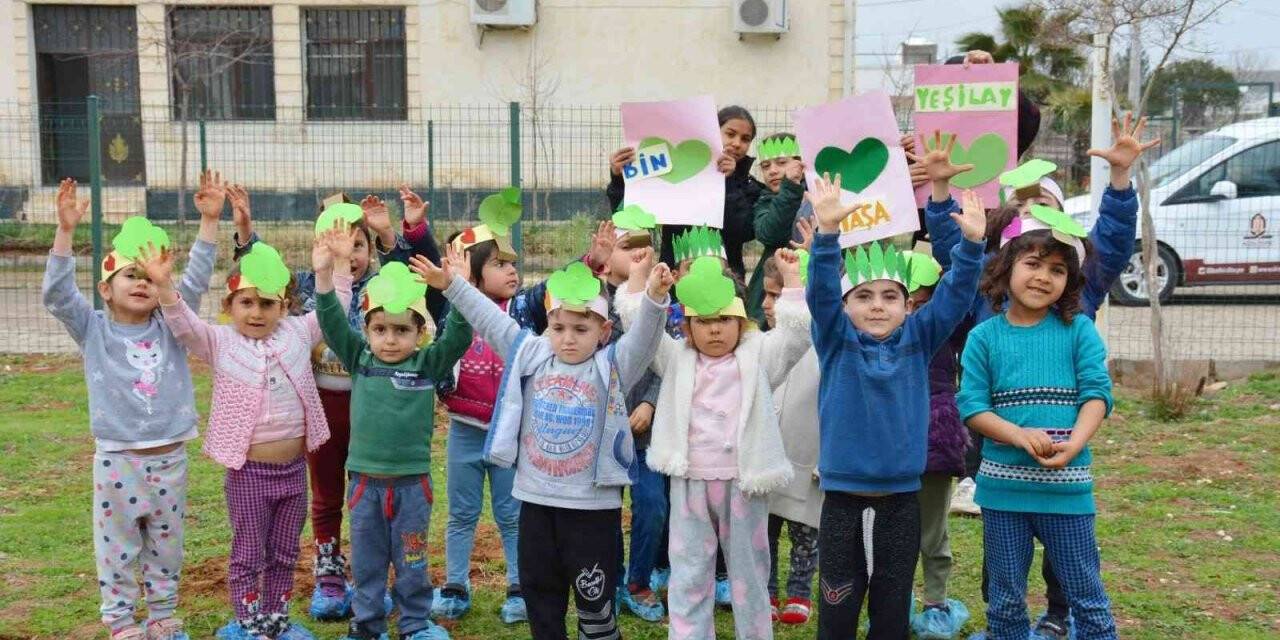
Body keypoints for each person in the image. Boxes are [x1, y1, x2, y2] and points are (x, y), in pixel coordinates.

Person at [917, 114, 1156, 639]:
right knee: (1004, 570)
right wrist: (939, 193)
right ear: (1005, 254)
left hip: (1066, 468)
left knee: (1071, 566)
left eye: (1044, 204)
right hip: (1002, 463)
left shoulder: (1079, 302)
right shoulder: (984, 304)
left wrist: (1119, 182)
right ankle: (1007, 624)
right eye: (1022, 208)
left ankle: (1057, 617)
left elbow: (1114, 240)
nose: (1043, 272)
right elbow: (955, 246)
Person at [413, 248, 671, 640]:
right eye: (559, 327)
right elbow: (492, 321)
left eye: (581, 330)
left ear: (603, 332)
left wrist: (653, 297)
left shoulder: (612, 366)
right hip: (535, 504)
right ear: (547, 323)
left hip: (591, 511)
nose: (568, 339)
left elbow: (644, 341)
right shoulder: (531, 354)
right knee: (541, 597)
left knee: (595, 603)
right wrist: (452, 285)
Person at [42, 173, 227, 640]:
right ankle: (122, 622)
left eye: (148, 276)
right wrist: (65, 231)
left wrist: (209, 222)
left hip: (169, 458)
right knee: (117, 548)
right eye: (130, 275)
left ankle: (162, 616)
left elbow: (195, 280)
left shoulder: (173, 324)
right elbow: (57, 295)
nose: (142, 283)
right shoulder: (93, 329)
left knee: (167, 546)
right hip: (117, 461)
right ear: (105, 289)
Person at [144, 228, 354, 640]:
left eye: (267, 304)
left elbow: (336, 309)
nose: (256, 313)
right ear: (229, 305)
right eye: (246, 303)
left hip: (293, 473)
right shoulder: (219, 341)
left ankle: (277, 618)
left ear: (284, 306)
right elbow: (183, 325)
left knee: (285, 551)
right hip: (248, 474)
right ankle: (247, 621)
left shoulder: (298, 333)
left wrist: (337, 266)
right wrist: (165, 286)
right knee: (248, 552)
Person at [805, 174, 986, 639]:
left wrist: (971, 246)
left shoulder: (919, 340)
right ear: (845, 307)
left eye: (890, 296)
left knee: (891, 609)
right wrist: (827, 235)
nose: (877, 306)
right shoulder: (835, 340)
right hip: (842, 502)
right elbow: (820, 294)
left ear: (908, 307)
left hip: (901, 503)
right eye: (863, 296)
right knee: (837, 606)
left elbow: (954, 298)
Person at [231, 189, 418, 621]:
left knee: (370, 495)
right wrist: (244, 230)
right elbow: (261, 270)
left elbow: (406, 268)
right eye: (337, 245)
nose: (348, 255)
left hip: (372, 406)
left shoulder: (379, 286)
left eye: (358, 245)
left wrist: (388, 234)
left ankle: (372, 576)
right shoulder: (303, 285)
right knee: (327, 494)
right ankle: (329, 577)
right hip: (319, 409)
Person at [617, 246, 811, 640]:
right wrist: (642, 283)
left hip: (744, 485)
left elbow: (795, 336)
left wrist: (793, 282)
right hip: (690, 485)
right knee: (689, 573)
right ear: (688, 326)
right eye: (704, 321)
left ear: (742, 320)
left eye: (724, 319)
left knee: (750, 575)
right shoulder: (676, 358)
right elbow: (642, 332)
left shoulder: (760, 356)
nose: (715, 330)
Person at [957, 209, 1117, 640]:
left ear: (1070, 280)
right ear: (1006, 267)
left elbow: (1097, 394)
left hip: (1067, 490)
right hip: (1002, 493)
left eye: (1057, 270)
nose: (1043, 277)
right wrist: (1018, 435)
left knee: (1086, 593)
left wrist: (1075, 443)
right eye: (1033, 263)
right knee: (1006, 598)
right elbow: (972, 406)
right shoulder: (983, 337)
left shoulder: (1079, 331)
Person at [316, 247, 472, 640]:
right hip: (365, 487)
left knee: (412, 561)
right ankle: (367, 625)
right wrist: (323, 278)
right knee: (367, 563)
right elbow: (331, 324)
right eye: (380, 329)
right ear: (367, 330)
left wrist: (458, 287)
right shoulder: (359, 359)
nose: (389, 340)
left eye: (402, 330)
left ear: (420, 333)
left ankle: (414, 623)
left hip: (412, 487)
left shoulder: (426, 364)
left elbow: (459, 336)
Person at [432, 210, 545, 623]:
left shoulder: (524, 308)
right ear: (473, 274)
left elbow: (553, 290)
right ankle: (455, 587)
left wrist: (593, 260)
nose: (512, 270)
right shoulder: (450, 307)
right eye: (499, 264)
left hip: (509, 432)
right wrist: (414, 233)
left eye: (513, 263)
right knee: (461, 513)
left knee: (511, 513)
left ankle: (519, 588)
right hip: (465, 431)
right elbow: (421, 263)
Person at [900, 250, 973, 640]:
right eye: (907, 302)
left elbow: (961, 299)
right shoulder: (878, 334)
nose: (914, 312)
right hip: (893, 439)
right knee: (893, 531)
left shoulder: (945, 327)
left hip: (935, 436)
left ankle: (935, 603)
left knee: (932, 530)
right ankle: (894, 602)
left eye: (923, 302)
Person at [606, 105, 765, 280]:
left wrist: (730, 182)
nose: (737, 143)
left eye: (745, 139)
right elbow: (629, 216)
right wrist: (619, 178)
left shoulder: (749, 186)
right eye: (730, 134)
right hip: (673, 276)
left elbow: (742, 232)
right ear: (712, 132)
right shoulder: (675, 173)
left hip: (726, 280)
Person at [759, 253, 822, 627]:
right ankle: (764, 590)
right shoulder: (760, 344)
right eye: (766, 295)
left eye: (776, 295)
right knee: (763, 530)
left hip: (807, 456)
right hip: (767, 458)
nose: (767, 304)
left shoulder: (823, 349)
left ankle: (800, 590)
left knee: (805, 531)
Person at [747, 132, 808, 326]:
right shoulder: (765, 202)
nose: (772, 171)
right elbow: (769, 234)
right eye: (766, 166)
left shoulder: (819, 195)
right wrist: (791, 188)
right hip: (771, 291)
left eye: (781, 163)